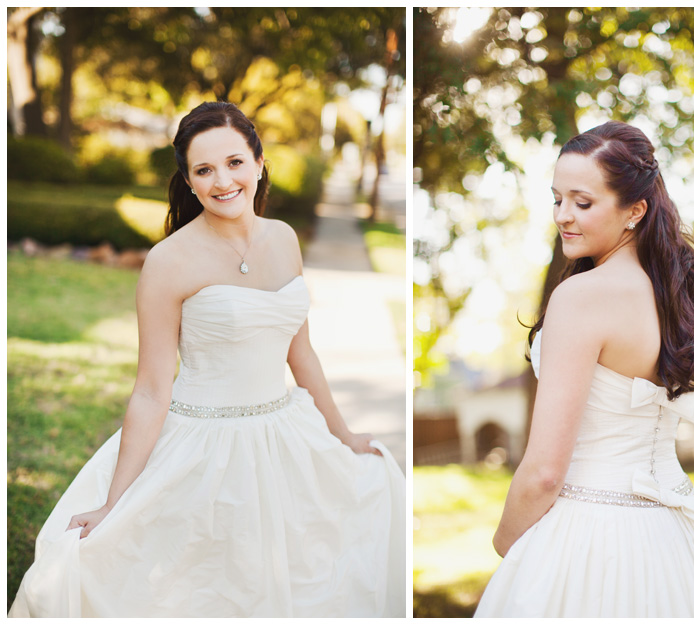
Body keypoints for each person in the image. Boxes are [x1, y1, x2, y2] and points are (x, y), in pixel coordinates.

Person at [9, 101, 405, 618]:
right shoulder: (168, 261)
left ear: (259, 162)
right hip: (201, 446)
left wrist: (344, 435)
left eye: (235, 162)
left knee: (305, 573)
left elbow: (300, 351)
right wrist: (114, 501)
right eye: (205, 170)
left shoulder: (284, 239)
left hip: (285, 436)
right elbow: (152, 389)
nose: (223, 181)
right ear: (189, 181)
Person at [474, 121, 694, 618]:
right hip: (678, 532)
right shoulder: (672, 301)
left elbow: (545, 473)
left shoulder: (581, 297)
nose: (563, 216)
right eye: (557, 199)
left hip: (588, 531)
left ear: (634, 210)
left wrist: (509, 545)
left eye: (583, 202)